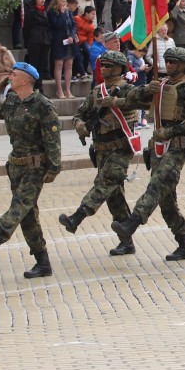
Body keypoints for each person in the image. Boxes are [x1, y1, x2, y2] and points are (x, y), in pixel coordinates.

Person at [0, 62, 61, 279]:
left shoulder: (43, 105)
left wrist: (54, 167)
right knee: (27, 216)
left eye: (13, 74)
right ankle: (43, 262)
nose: (9, 76)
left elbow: (53, 139)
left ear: (25, 80)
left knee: (19, 205)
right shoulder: (12, 101)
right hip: (16, 166)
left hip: (35, 167)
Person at [58, 50, 141, 254]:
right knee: (114, 196)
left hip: (121, 148)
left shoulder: (127, 89)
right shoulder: (97, 91)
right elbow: (79, 114)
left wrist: (116, 102)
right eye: (102, 65)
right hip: (101, 150)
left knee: (103, 184)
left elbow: (141, 100)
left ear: (120, 68)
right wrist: (80, 126)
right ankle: (126, 241)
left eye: (109, 65)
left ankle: (77, 217)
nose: (104, 69)